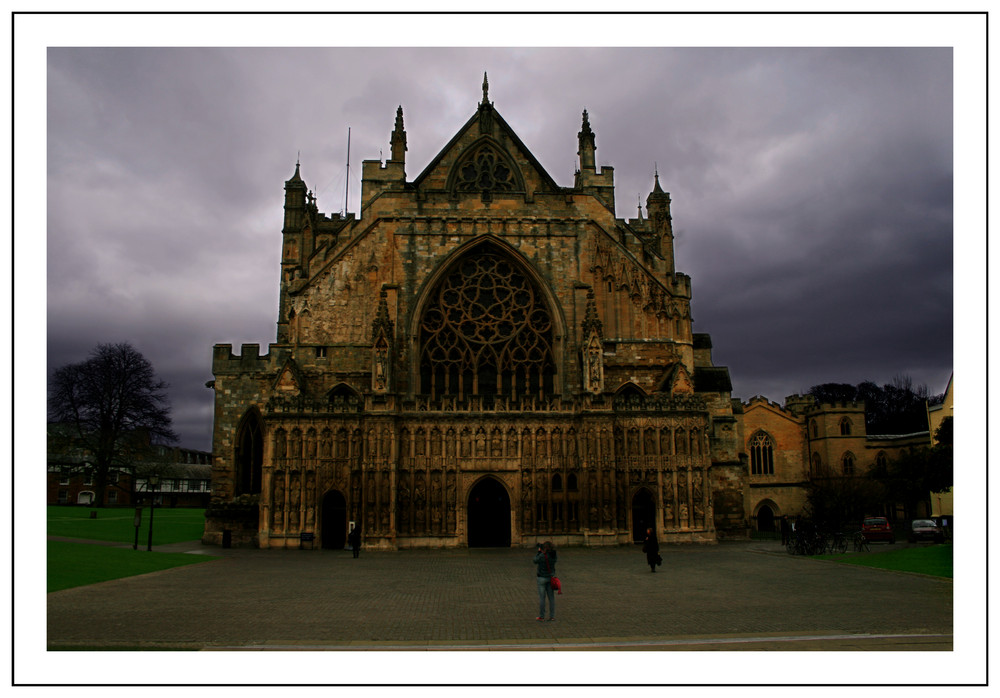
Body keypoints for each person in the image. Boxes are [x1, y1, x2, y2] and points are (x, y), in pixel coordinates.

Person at [533, 541, 557, 621]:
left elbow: (535, 560)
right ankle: (552, 616)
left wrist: (539, 552)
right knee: (551, 598)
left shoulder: (542, 556)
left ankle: (542, 616)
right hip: (550, 578)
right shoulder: (553, 555)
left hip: (542, 578)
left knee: (542, 598)